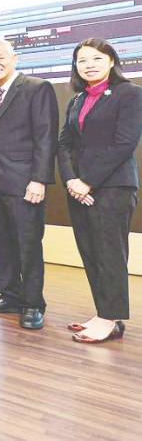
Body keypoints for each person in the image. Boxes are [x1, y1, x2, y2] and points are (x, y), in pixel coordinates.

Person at [57, 38, 142, 343]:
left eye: (95, 58)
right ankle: (103, 313)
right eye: (82, 60)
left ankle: (110, 319)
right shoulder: (78, 99)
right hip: (78, 187)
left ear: (111, 60)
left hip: (113, 187)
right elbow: (64, 143)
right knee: (91, 253)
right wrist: (71, 181)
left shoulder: (129, 94)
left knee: (110, 255)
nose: (88, 65)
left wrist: (87, 181)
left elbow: (124, 144)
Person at [0, 39, 58, 330]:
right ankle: (8, 294)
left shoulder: (36, 88)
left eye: (0, 58)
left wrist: (39, 179)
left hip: (24, 183)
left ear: (14, 58)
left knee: (28, 245)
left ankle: (33, 303)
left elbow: (46, 137)